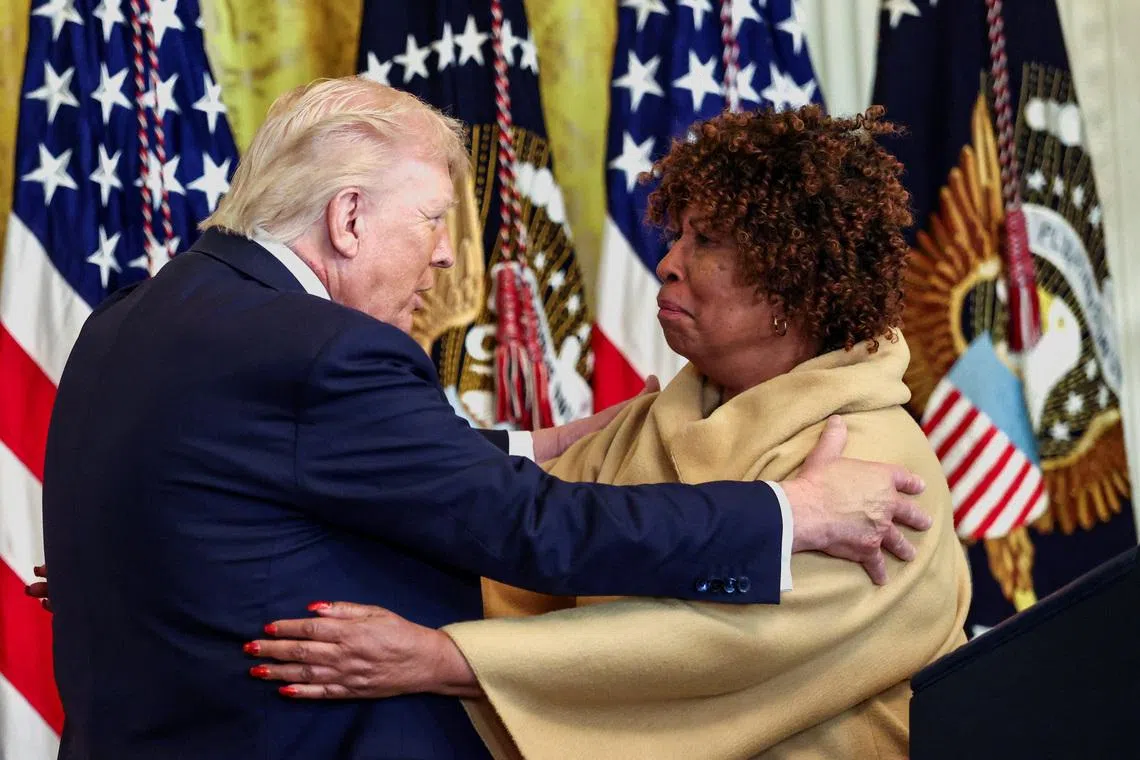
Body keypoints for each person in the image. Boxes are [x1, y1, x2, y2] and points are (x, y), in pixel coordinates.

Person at [38, 78, 931, 760]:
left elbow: (728, 646)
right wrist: (791, 515)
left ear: (792, 284)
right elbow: (530, 522)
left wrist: (444, 652)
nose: (443, 253)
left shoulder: (128, 318)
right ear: (349, 218)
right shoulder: (317, 351)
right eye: (433, 219)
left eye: (708, 241)